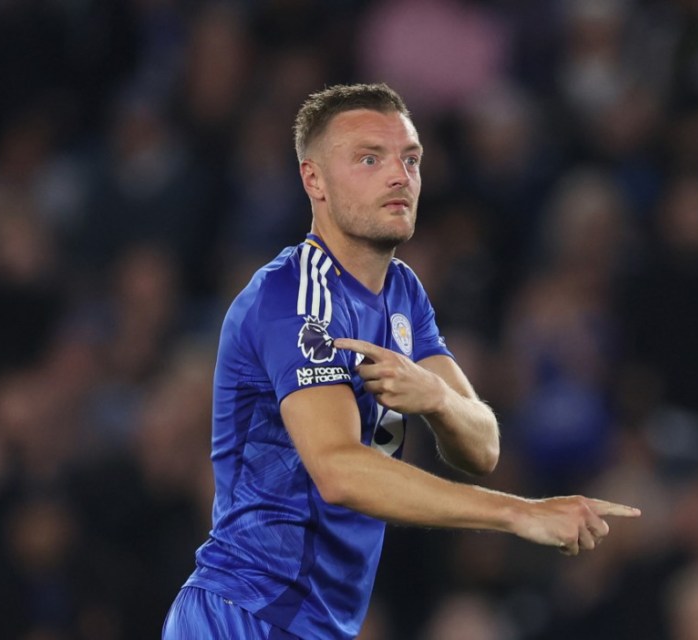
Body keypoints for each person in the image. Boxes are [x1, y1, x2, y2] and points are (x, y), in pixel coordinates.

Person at [162, 82, 641, 640]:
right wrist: (519, 513)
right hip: (245, 614)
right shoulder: (297, 297)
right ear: (313, 179)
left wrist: (436, 399)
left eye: (410, 158)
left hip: (310, 623)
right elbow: (338, 470)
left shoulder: (403, 294)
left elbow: (483, 445)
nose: (400, 175)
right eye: (370, 158)